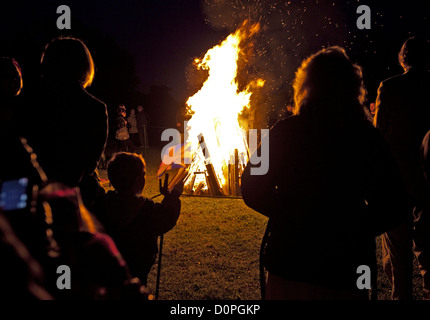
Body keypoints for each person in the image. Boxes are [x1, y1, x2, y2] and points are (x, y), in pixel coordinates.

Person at [241, 46, 408, 300]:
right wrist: (355, 224)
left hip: (289, 263)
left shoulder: (284, 131)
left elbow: (251, 185)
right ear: (352, 86)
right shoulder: (365, 137)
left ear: (306, 85)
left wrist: (288, 212)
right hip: (344, 269)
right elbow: (394, 201)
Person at [374, 36, 430, 300]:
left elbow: (378, 136)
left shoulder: (390, 87)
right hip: (428, 179)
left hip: (396, 181)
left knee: (397, 254)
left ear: (403, 58)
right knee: (428, 251)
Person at [25, 36, 108, 191]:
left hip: (34, 190)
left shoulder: (30, 102)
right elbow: (90, 162)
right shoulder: (95, 108)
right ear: (84, 65)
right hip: (74, 192)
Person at [101, 152, 182, 286]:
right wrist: (174, 196)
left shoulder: (103, 204)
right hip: (137, 272)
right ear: (139, 179)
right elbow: (167, 216)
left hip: (107, 274)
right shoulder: (146, 211)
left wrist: (167, 196)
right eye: (143, 174)